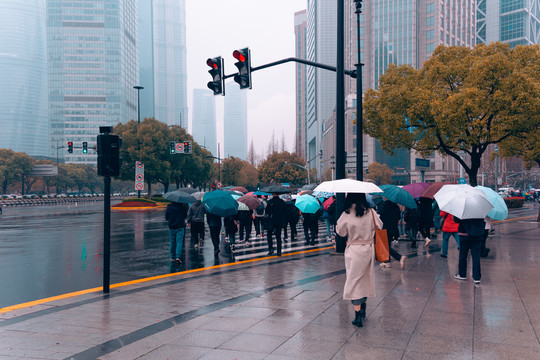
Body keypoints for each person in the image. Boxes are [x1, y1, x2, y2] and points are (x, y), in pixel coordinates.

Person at [336, 193, 383, 328]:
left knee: (354, 280)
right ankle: (363, 308)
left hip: (354, 250)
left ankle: (357, 316)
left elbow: (341, 232)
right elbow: (380, 225)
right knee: (365, 279)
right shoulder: (371, 212)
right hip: (368, 249)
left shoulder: (347, 213)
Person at [454, 216, 485, 284]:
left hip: (464, 234)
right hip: (477, 235)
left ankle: (462, 274)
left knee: (463, 254)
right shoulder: (480, 208)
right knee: (476, 256)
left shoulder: (463, 207)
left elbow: (456, 220)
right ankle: (477, 278)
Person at [378, 199, 406, 269]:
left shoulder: (383, 205)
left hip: (385, 228)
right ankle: (387, 261)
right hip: (393, 228)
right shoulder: (396, 206)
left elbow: (381, 217)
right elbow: (398, 217)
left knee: (385, 246)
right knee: (388, 244)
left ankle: (399, 257)